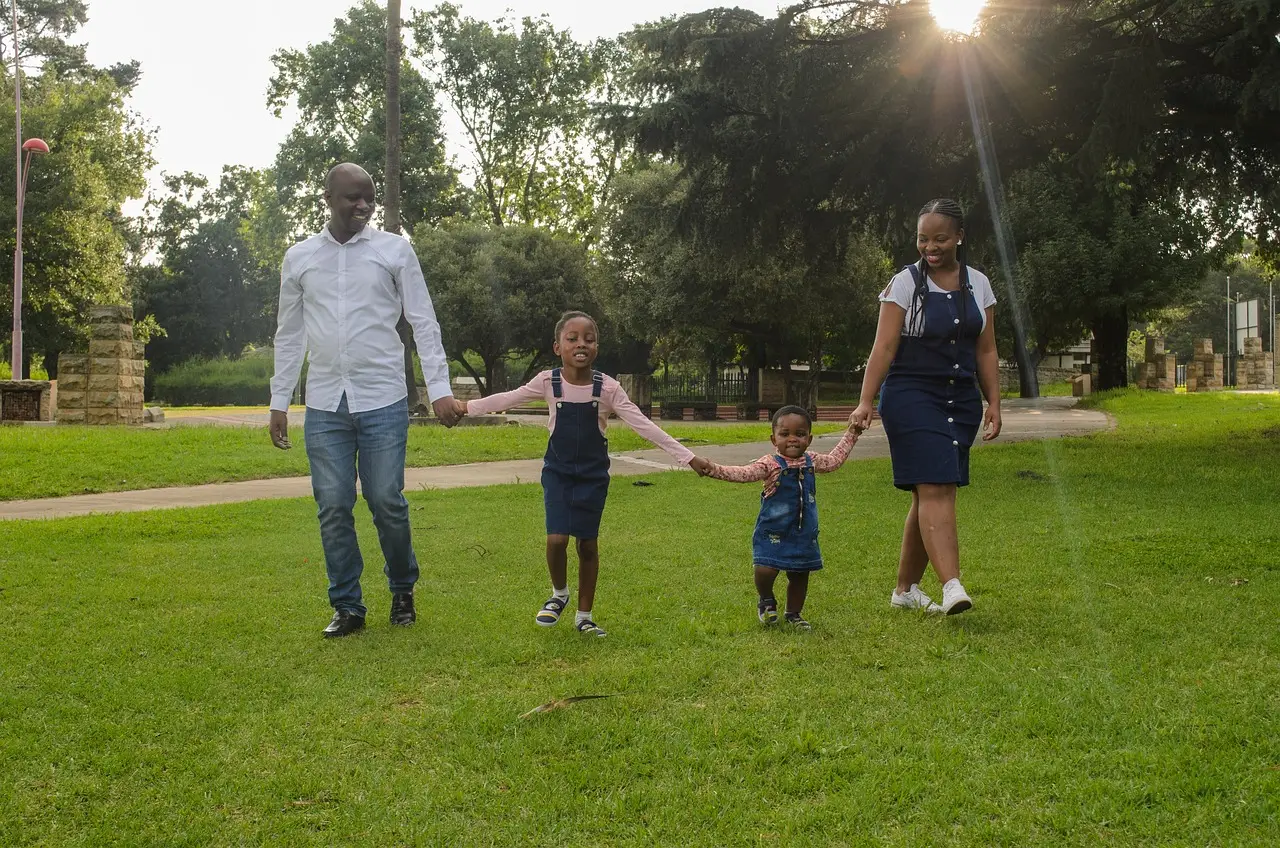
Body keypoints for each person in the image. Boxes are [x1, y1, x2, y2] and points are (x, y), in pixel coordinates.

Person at [268, 163, 462, 639]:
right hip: (325, 404)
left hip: (382, 398)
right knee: (333, 504)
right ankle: (348, 606)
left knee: (384, 500)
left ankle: (402, 589)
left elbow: (424, 322)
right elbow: (289, 334)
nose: (362, 206)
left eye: (369, 199)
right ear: (328, 197)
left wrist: (440, 389)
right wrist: (279, 400)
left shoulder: (394, 251)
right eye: (352, 197)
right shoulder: (299, 258)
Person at [463, 311, 712, 637]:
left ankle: (584, 615)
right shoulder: (548, 382)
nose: (581, 344)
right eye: (573, 338)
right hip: (558, 473)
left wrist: (688, 457)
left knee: (587, 545)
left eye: (589, 339)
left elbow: (644, 426)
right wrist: (463, 407)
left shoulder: (607, 388)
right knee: (556, 539)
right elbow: (507, 399)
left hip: (593, 477)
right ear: (558, 347)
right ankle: (559, 594)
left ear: (596, 347)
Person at [850, 198, 1002, 616]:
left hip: (960, 398)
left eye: (939, 238)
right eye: (922, 239)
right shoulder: (903, 284)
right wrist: (865, 401)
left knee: (930, 490)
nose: (930, 247)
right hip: (911, 394)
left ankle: (905, 590)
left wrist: (994, 402)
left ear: (959, 237)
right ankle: (952, 584)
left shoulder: (979, 284)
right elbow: (883, 346)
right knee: (936, 487)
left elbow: (986, 350)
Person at [691, 407, 860, 631]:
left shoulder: (812, 461)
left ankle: (794, 614)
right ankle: (766, 598)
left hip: (804, 532)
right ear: (773, 439)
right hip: (773, 531)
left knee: (800, 575)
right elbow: (742, 473)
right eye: (785, 434)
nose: (792, 439)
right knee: (765, 569)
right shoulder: (769, 464)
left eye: (800, 434)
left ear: (809, 439)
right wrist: (713, 469)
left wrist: (853, 432)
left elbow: (835, 460)